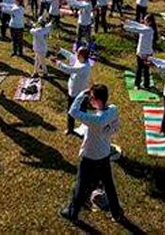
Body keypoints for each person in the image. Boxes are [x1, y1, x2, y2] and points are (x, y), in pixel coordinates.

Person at [59, 84, 124, 224]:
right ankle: (116, 212)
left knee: (81, 184)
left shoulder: (94, 120)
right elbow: (116, 125)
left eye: (92, 98)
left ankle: (72, 213)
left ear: (98, 100)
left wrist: (82, 93)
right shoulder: (113, 109)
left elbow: (72, 111)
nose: (90, 100)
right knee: (108, 184)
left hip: (90, 156)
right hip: (104, 154)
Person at [56, 47, 93, 135]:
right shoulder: (80, 60)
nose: (76, 54)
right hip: (73, 91)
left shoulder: (84, 67)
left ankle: (86, 127)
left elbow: (69, 70)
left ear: (82, 56)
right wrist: (60, 50)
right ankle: (70, 129)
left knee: (82, 112)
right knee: (70, 111)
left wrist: (58, 63)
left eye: (78, 53)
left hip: (79, 93)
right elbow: (70, 56)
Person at [123, 16, 156, 89]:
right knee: (141, 69)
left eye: (145, 20)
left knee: (142, 69)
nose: (143, 21)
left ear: (149, 22)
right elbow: (138, 25)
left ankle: (142, 84)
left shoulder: (148, 29)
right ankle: (141, 84)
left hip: (145, 53)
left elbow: (136, 29)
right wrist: (128, 21)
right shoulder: (146, 28)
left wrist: (126, 27)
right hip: (142, 52)